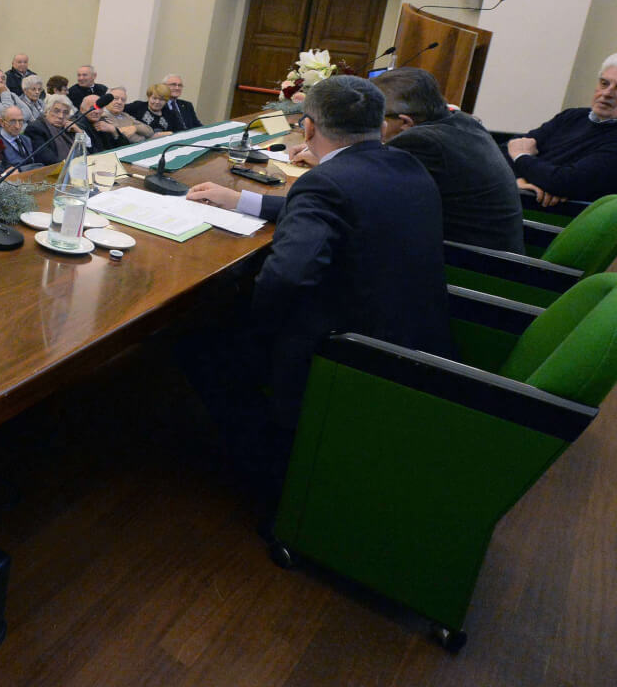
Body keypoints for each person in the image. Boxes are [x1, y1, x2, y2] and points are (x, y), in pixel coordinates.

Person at [181, 76, 455, 505]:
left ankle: (273, 476)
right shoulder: (406, 165)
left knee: (199, 336)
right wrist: (241, 200)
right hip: (415, 334)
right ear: (379, 125)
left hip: (349, 349)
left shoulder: (325, 183)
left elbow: (287, 277)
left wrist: (256, 329)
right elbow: (349, 204)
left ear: (308, 128)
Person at [370, 68, 524, 252]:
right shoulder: (463, 122)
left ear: (405, 122)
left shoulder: (423, 142)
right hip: (491, 252)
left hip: (472, 263)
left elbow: (369, 193)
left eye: (376, 117)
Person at [506, 55, 617, 206]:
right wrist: (519, 180)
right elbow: (505, 150)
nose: (606, 93)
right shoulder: (572, 116)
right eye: (604, 83)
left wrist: (521, 157)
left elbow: (565, 181)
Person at [26, 93, 82, 166]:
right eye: (56, 111)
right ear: (47, 111)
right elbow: (47, 159)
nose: (61, 116)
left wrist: (80, 133)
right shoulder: (36, 128)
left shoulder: (69, 127)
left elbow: (86, 151)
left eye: (65, 112)